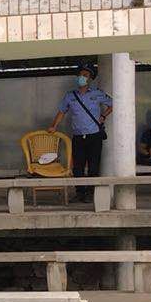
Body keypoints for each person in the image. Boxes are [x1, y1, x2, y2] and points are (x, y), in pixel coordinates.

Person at [48, 63, 113, 202]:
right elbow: (61, 111)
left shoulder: (97, 93)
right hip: (78, 136)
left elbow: (113, 104)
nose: (82, 77)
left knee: (93, 166)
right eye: (80, 75)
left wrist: (103, 116)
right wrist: (54, 126)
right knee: (78, 166)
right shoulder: (70, 96)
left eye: (85, 75)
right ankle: (79, 192)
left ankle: (90, 193)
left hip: (94, 135)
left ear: (90, 78)